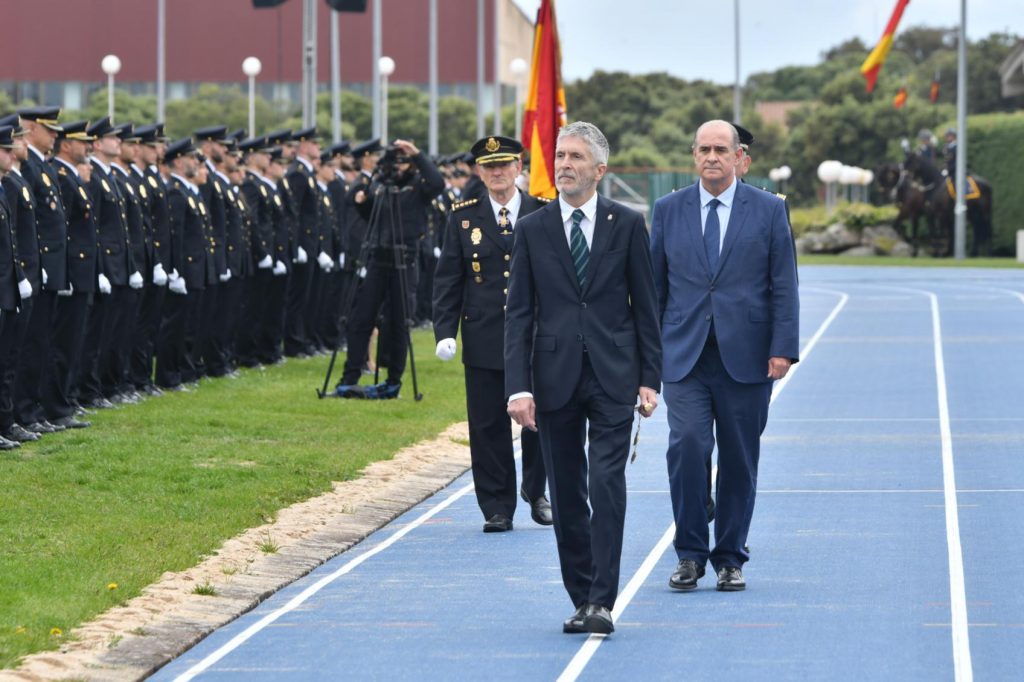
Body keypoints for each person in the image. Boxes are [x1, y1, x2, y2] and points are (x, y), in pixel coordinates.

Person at [505, 121, 661, 635]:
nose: (565, 164)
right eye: (559, 155)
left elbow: (646, 308)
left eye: (575, 157)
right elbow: (519, 314)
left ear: (600, 169)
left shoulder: (627, 223)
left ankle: (602, 600)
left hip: (614, 376)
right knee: (568, 491)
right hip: (553, 379)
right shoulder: (532, 228)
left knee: (606, 482)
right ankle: (580, 594)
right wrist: (518, 386)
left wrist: (649, 377)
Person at [649, 119, 799, 594]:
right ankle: (690, 554)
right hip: (684, 357)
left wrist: (782, 348)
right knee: (688, 447)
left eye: (721, 149)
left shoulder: (770, 210)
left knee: (739, 458)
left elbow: (784, 284)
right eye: (704, 149)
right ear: (693, 156)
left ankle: (730, 556)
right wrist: (646, 360)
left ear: (740, 158)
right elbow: (653, 289)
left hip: (748, 359)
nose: (712, 157)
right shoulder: (667, 210)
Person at [433, 135, 553, 533]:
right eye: (489, 167)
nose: (498, 173)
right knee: (487, 426)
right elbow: (449, 279)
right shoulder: (462, 217)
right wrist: (444, 331)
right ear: (479, 172)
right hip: (484, 335)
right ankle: (497, 505)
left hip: (536, 337)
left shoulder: (543, 212)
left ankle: (536, 490)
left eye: (505, 165)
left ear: (519, 168)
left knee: (539, 420)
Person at [336, 139, 444, 399]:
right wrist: (363, 201)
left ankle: (393, 380)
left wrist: (416, 154)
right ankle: (351, 375)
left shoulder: (418, 186)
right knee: (362, 317)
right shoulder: (382, 186)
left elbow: (438, 183)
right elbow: (371, 214)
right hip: (378, 256)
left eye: (403, 162)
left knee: (398, 320)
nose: (398, 167)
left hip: (404, 259)